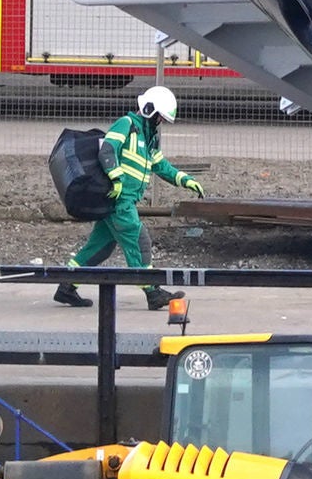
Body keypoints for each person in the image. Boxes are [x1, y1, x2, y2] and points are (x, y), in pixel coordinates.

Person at [54, 85, 205, 310]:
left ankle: (66, 286)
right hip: (119, 201)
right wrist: (116, 178)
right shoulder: (127, 124)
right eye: (159, 117)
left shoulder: (149, 137)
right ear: (148, 110)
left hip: (121, 200)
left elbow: (160, 166)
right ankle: (152, 292)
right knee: (139, 238)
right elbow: (107, 149)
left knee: (100, 247)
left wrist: (185, 179)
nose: (160, 122)